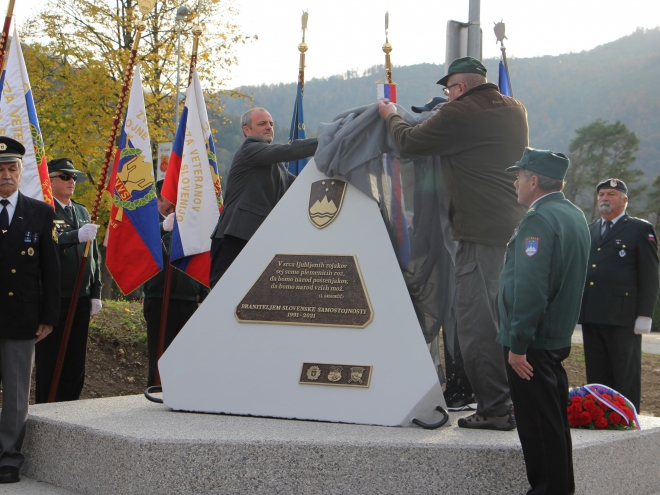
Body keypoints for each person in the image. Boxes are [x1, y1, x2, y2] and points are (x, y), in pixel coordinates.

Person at [378, 56, 529, 429]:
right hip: (510, 227)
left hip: (476, 232)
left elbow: (409, 141)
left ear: (459, 88)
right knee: (503, 318)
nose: (448, 97)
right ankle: (513, 400)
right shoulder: (514, 109)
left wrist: (390, 114)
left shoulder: (459, 113)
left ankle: (495, 408)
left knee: (476, 325)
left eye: (449, 91)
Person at [497, 148, 590, 494]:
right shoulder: (573, 214)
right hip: (554, 337)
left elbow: (532, 288)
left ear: (534, 181)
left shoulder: (539, 220)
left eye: (519, 177)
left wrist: (518, 343)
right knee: (552, 424)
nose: (516, 183)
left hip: (532, 343)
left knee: (537, 427)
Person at [0, 137, 60, 483]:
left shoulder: (40, 212)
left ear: (22, 171)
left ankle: (9, 456)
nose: (6, 175)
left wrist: (49, 317)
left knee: (17, 395)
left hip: (22, 317)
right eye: (1, 169)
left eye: (12, 168)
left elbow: (49, 271)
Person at [210, 108, 318, 288]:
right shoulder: (249, 148)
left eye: (271, 124)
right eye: (262, 123)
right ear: (247, 130)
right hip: (234, 237)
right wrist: (329, 141)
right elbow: (288, 150)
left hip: (258, 239)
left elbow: (301, 186)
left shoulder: (276, 165)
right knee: (222, 299)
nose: (269, 127)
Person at [579, 179, 659, 412]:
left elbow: (650, 275)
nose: (605, 198)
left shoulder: (639, 229)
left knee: (625, 374)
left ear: (625, 200)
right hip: (592, 313)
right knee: (596, 373)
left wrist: (645, 314)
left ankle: (625, 418)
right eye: (602, 194)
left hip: (623, 316)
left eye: (612, 194)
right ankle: (599, 416)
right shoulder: (591, 229)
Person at [34, 158, 101, 404]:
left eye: (73, 176)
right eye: (64, 176)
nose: (71, 181)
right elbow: (46, 243)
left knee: (75, 361)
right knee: (51, 360)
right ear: (49, 180)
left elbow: (93, 255)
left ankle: (71, 406)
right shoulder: (43, 209)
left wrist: (96, 291)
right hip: (55, 298)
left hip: (80, 297)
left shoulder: (82, 211)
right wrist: (73, 236)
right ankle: (47, 407)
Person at [143, 181, 209, 386]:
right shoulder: (148, 221)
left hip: (188, 298)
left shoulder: (192, 223)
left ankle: (181, 392)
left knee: (184, 354)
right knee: (159, 354)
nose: (173, 204)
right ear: (158, 200)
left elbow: (204, 258)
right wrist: (162, 228)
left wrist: (203, 295)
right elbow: (140, 248)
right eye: (167, 199)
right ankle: (156, 391)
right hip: (159, 297)